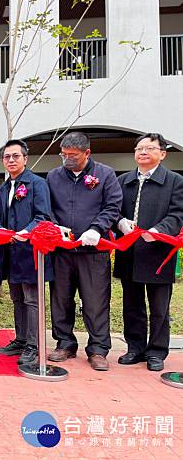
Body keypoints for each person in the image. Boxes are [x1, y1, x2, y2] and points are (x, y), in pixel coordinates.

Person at [46, 131, 122, 371]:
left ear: (87, 153)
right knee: (60, 298)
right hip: (62, 250)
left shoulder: (106, 174)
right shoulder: (54, 176)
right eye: (64, 154)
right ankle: (65, 343)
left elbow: (112, 206)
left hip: (93, 251)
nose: (67, 159)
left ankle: (98, 348)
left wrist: (97, 229)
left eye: (73, 155)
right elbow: (47, 207)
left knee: (95, 301)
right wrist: (55, 226)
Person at [114, 133, 183, 372]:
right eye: (139, 148)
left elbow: (177, 214)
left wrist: (158, 230)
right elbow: (113, 209)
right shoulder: (123, 180)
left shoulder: (175, 181)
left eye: (149, 148)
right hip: (129, 251)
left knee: (159, 307)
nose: (143, 152)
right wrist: (121, 222)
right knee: (132, 304)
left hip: (158, 252)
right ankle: (135, 348)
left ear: (162, 154)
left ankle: (156, 351)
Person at [0, 139, 53, 365]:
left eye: (15, 156)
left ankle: (34, 345)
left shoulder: (37, 184)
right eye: (7, 157)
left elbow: (42, 215)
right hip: (9, 250)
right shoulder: (5, 187)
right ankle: (21, 338)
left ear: (25, 159)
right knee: (17, 298)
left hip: (30, 252)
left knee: (32, 299)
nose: (11, 160)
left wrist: (25, 232)